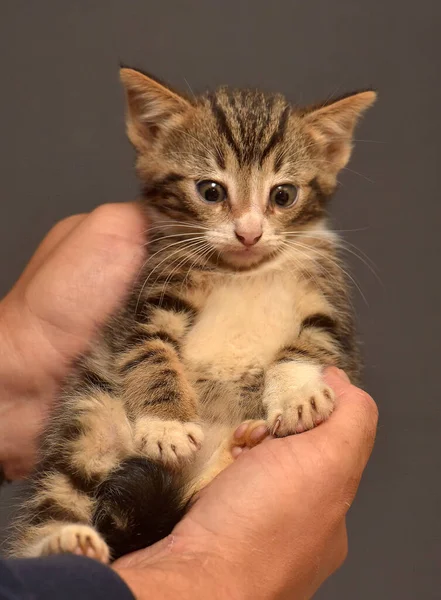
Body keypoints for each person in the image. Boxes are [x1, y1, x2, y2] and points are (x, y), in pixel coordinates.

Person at [0, 203, 378, 600]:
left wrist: (294, 376)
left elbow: (328, 339)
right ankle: (47, 542)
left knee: (219, 458)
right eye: (212, 191)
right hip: (154, 413)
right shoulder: (180, 253)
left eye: (282, 196)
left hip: (215, 432)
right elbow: (146, 335)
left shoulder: (314, 257)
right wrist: (211, 566)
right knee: (93, 420)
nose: (248, 228)